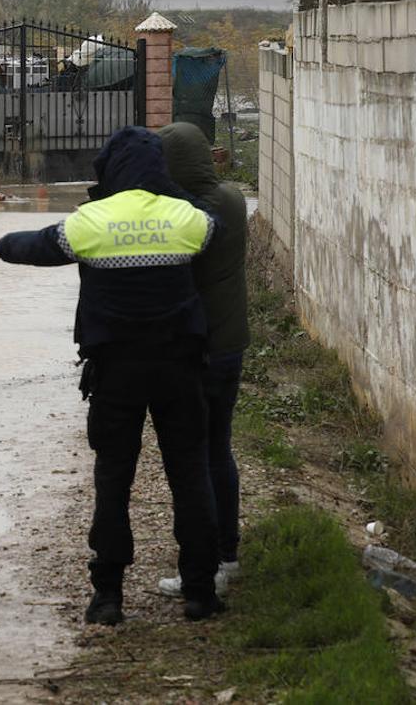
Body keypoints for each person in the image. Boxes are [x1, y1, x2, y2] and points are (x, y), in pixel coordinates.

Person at [0, 126, 224, 624]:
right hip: (180, 368)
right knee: (190, 474)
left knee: (114, 478)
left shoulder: (89, 221)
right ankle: (200, 592)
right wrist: (169, 194)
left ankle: (108, 597)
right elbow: (212, 228)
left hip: (115, 371)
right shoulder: (188, 219)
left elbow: (38, 245)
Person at [154, 123, 249, 599]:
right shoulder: (232, 199)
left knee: (195, 460)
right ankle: (227, 556)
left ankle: (206, 563)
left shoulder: (185, 217)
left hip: (197, 349)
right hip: (231, 344)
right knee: (220, 450)